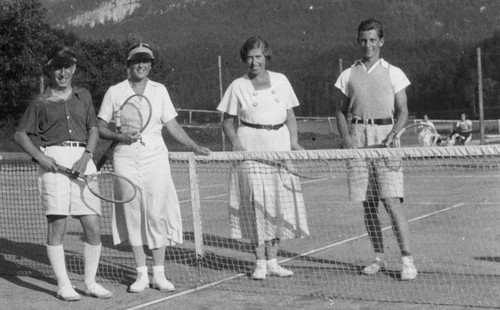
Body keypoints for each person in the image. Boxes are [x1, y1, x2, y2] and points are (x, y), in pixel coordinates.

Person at [97, 43, 211, 293]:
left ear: (151, 64)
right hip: (125, 158)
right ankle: (140, 274)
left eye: (146, 60)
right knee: (132, 213)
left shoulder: (160, 91)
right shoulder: (115, 91)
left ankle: (159, 274)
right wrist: (119, 138)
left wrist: (194, 145)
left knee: (157, 212)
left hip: (155, 158)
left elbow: (172, 126)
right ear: (128, 64)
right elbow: (100, 127)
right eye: (136, 60)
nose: (141, 65)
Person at [13, 46, 113, 301]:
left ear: (74, 68)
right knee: (57, 224)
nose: (63, 72)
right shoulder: (40, 102)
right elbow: (20, 135)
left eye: (67, 66)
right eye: (58, 67)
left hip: (83, 161)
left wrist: (86, 157)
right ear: (49, 69)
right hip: (53, 163)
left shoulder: (85, 96)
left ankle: (90, 283)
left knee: (91, 225)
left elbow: (93, 129)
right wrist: (42, 157)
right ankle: (64, 284)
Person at [216, 36, 309, 280]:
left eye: (258, 56)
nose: (254, 62)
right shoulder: (238, 85)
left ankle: (274, 260)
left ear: (266, 56)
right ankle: (259, 261)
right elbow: (227, 120)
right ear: (244, 59)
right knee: (255, 204)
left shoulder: (281, 80)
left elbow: (290, 116)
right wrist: (236, 143)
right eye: (249, 57)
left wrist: (294, 141)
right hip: (250, 148)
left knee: (279, 204)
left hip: (279, 145)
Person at [334, 19, 417, 280]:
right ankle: (378, 257)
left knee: (391, 202)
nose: (367, 45)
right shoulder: (348, 74)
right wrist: (347, 137)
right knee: (368, 204)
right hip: (358, 137)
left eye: (372, 40)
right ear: (358, 42)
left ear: (381, 42)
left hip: (386, 137)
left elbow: (403, 111)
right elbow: (339, 110)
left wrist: (393, 134)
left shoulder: (394, 72)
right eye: (363, 40)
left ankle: (407, 261)